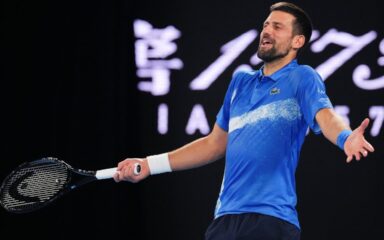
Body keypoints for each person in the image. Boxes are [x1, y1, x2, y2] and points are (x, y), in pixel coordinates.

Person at [113, 2, 375, 239]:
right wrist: (150, 164)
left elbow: (325, 116)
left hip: (271, 220)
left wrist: (345, 137)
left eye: (277, 26)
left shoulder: (303, 78)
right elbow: (214, 144)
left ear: (297, 41)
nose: (267, 30)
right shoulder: (240, 82)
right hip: (225, 220)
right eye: (265, 25)